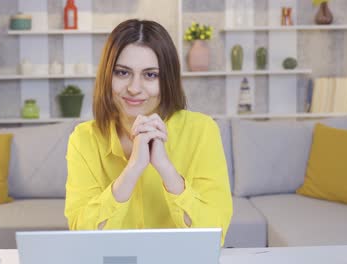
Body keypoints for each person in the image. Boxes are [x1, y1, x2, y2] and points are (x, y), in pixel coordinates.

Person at [64, 19, 232, 245]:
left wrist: (166, 169)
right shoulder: (84, 139)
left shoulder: (202, 131)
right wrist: (132, 169)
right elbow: (82, 235)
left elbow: (215, 233)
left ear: (168, 80)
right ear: (107, 75)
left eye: (150, 75)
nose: (134, 88)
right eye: (122, 73)